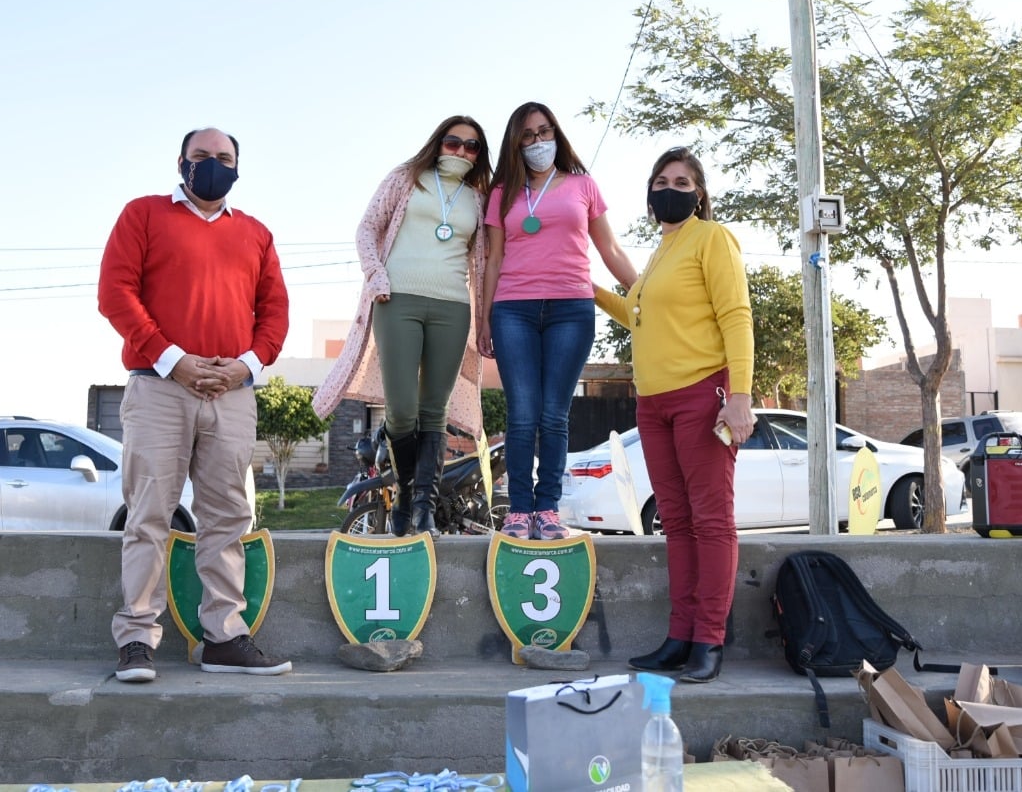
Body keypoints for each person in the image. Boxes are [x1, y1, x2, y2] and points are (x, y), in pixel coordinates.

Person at [98, 126, 291, 683]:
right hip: (159, 388)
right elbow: (116, 293)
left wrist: (245, 366)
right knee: (149, 515)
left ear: (238, 167)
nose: (212, 164)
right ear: (180, 163)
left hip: (232, 393)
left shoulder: (256, 234)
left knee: (228, 517)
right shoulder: (143, 215)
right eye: (201, 155)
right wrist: (172, 359)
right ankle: (137, 638)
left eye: (223, 157)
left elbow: (274, 311)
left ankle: (223, 638)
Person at [595, 147, 755, 684]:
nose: (670, 189)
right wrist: (587, 289)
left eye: (682, 182)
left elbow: (736, 316)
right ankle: (680, 636)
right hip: (653, 403)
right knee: (676, 521)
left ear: (699, 194)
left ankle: (709, 639)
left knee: (711, 521)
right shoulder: (663, 251)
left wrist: (740, 394)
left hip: (701, 395)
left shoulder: (712, 238)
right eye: (661, 181)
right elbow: (638, 314)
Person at [313, 116, 491, 537]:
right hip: (397, 301)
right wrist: (376, 275)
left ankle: (423, 507)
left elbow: (483, 262)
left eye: (472, 146)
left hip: (452, 307)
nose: (461, 151)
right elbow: (367, 229)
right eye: (453, 142)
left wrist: (485, 317)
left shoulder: (478, 197)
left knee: (435, 411)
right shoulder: (406, 178)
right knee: (402, 410)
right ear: (438, 142)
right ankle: (406, 494)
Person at [478, 102, 637, 540]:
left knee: (553, 415)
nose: (538, 141)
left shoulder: (583, 185)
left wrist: (642, 291)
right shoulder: (502, 193)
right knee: (522, 414)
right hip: (513, 311)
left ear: (557, 135)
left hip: (571, 309)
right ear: (516, 143)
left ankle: (547, 509)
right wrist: (484, 318)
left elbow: (610, 249)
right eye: (528, 135)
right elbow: (494, 260)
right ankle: (518, 511)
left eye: (545, 131)